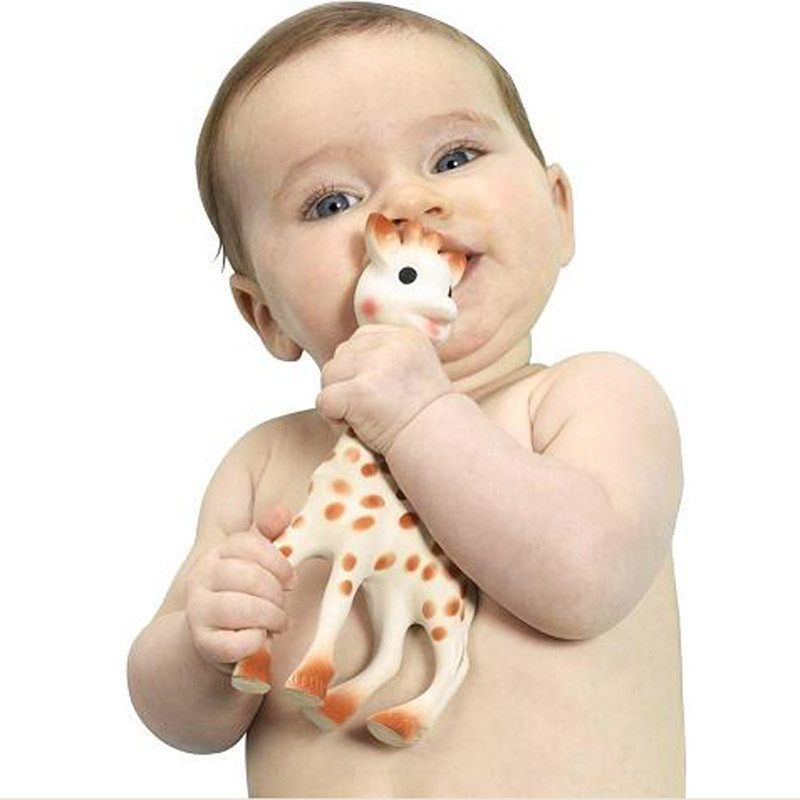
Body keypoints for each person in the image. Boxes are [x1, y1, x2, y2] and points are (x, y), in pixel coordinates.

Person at [127, 2, 685, 796]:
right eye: (330, 202)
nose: (405, 202)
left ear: (558, 210)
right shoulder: (264, 465)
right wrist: (199, 647)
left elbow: (584, 580)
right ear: (264, 314)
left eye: (454, 156)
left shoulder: (590, 398)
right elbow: (182, 723)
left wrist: (420, 415)